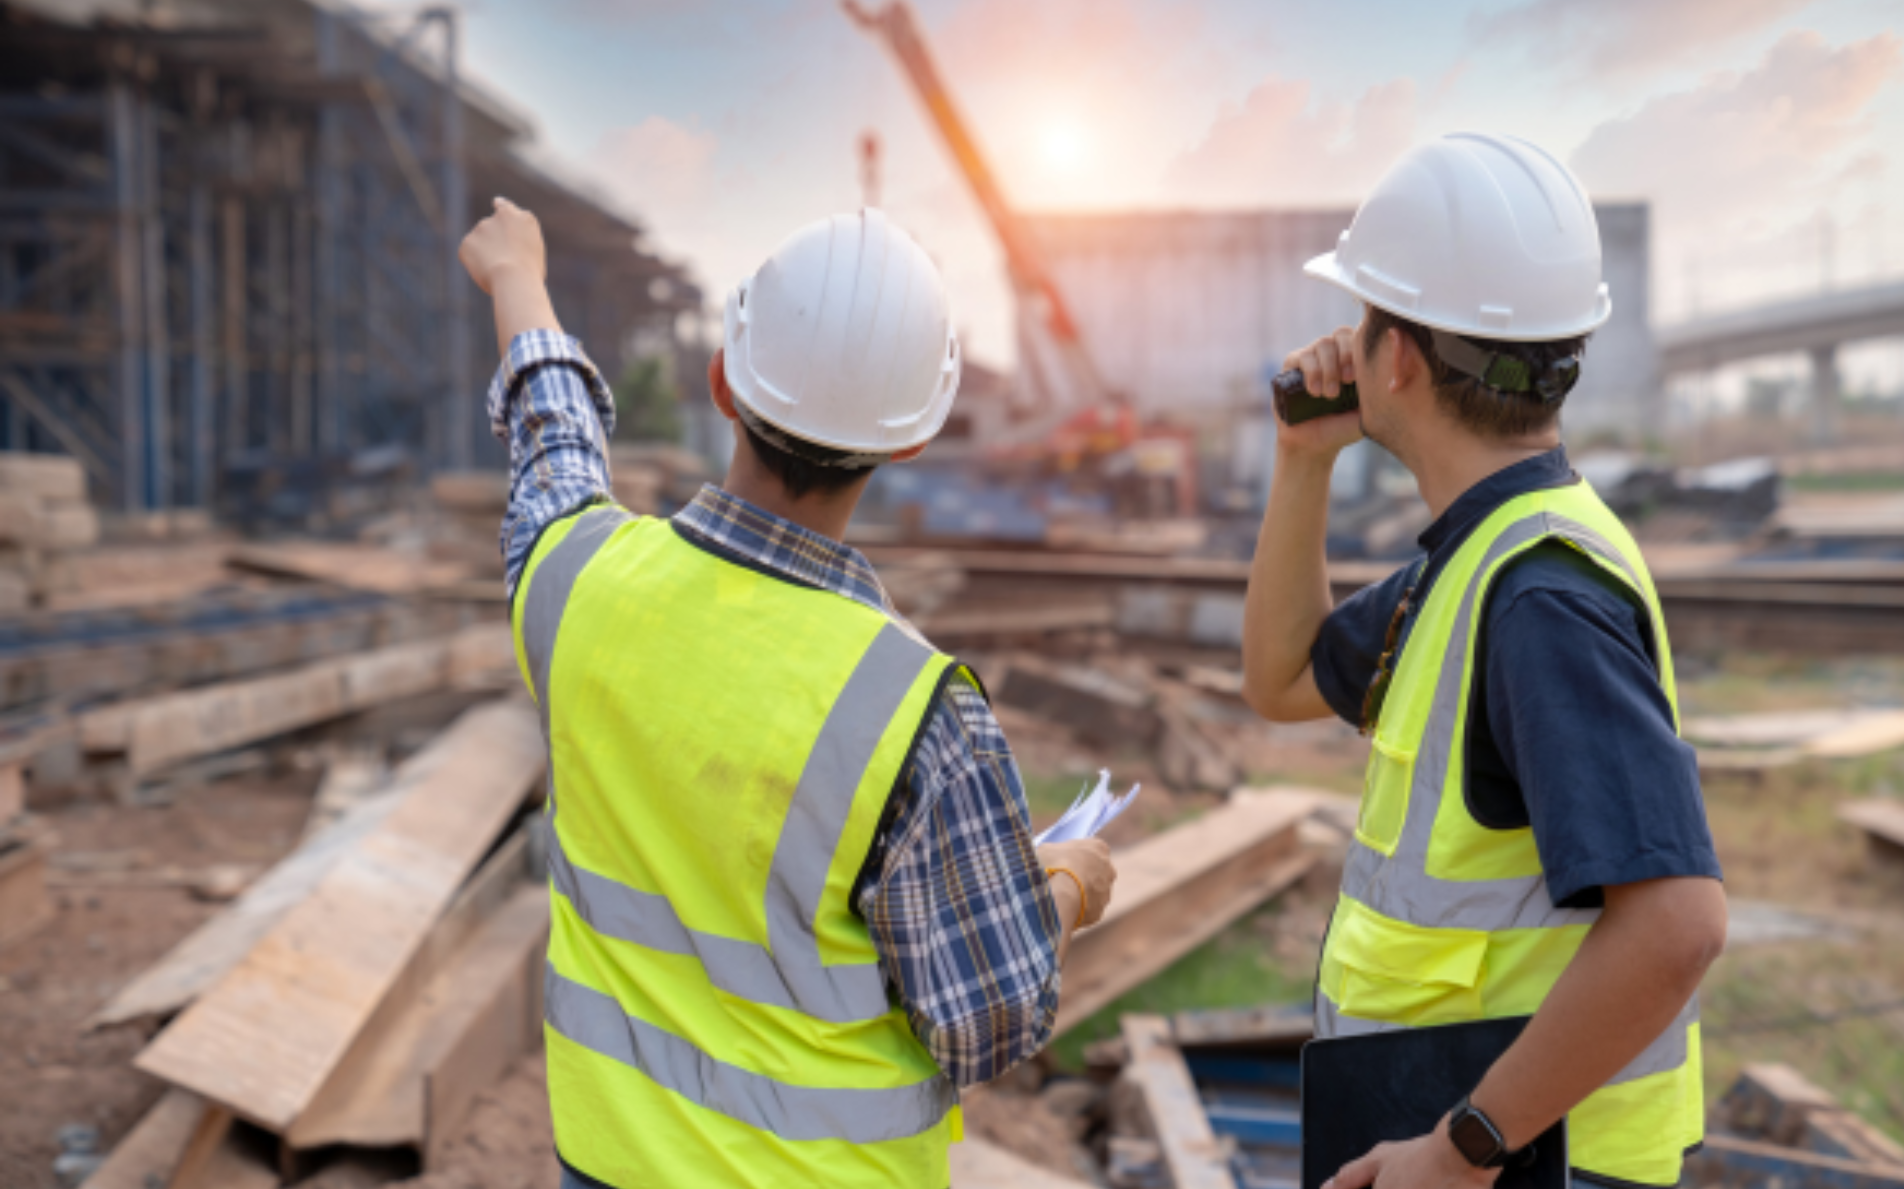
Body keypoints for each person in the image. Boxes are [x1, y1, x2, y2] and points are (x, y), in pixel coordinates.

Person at [459, 200, 1117, 1189]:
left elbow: (554, 457)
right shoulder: (920, 714)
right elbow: (987, 1018)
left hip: (605, 1165)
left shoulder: (578, 585)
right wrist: (1061, 885)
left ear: (723, 381)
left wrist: (520, 281)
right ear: (909, 442)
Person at [1241, 133, 1726, 1189]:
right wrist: (1300, 459)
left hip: (1534, 1161)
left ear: (1397, 357)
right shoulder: (1477, 557)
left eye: (1363, 317)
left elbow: (1678, 923)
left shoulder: (1536, 596)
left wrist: (1466, 1146)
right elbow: (1279, 680)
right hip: (1477, 1144)